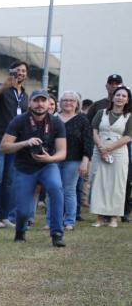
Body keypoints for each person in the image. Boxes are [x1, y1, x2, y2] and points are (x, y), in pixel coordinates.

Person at [0, 89, 67, 246]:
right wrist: (25, 143)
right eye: (36, 100)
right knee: (23, 209)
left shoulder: (56, 123)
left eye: (43, 100)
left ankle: (57, 233)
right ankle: (20, 229)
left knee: (56, 189)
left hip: (47, 165)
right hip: (24, 168)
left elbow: (62, 152)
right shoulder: (19, 121)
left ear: (49, 103)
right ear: (30, 103)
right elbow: (3, 147)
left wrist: (50, 158)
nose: (39, 104)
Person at [0, 60, 29, 229]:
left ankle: (4, 216)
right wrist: (3, 86)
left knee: (9, 180)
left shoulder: (25, 94)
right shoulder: (0, 86)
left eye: (24, 71)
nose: (21, 73)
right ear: (11, 71)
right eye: (18, 70)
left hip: (15, 143)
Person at [89, 85, 131, 227]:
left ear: (127, 100)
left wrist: (110, 148)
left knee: (116, 184)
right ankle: (99, 217)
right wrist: (101, 147)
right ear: (113, 97)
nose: (120, 98)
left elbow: (128, 137)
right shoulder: (101, 113)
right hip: (99, 151)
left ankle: (114, 217)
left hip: (118, 154)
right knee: (98, 182)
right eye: (118, 95)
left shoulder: (129, 117)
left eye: (123, 96)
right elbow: (94, 131)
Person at [53, 91, 91, 230]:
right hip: (54, 160)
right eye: (65, 100)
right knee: (54, 190)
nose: (68, 103)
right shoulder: (53, 119)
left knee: (69, 190)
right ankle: (51, 220)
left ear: (77, 104)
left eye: (72, 100)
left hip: (74, 160)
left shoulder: (83, 120)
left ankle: (69, 221)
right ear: (60, 103)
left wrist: (85, 161)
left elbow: (88, 142)